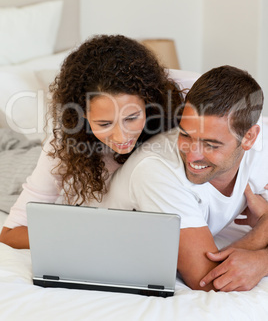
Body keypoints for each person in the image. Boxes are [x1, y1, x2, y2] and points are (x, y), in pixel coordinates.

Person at [0, 34, 187, 249]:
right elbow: (10, 233)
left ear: (148, 102)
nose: (121, 137)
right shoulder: (63, 145)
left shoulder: (176, 112)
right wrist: (85, 237)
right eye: (105, 123)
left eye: (131, 118)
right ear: (83, 117)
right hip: (21, 169)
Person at [108, 65, 268, 292]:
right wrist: (264, 227)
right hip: (104, 258)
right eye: (185, 134)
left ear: (249, 137)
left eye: (211, 144)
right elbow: (208, 279)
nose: (192, 155)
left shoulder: (262, 147)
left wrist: (263, 261)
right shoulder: (157, 170)